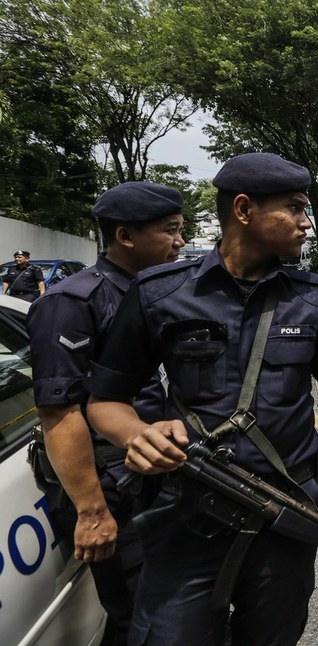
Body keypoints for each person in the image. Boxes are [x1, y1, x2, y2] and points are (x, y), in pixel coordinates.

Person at [86, 152, 318, 646]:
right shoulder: (160, 293)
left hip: (284, 513)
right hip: (188, 515)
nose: (307, 223)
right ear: (243, 210)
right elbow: (104, 400)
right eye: (294, 208)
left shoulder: (313, 298)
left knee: (272, 636)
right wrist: (139, 434)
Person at [27, 181, 186, 645]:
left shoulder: (148, 291)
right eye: (170, 230)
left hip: (150, 469)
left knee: (169, 602)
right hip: (114, 482)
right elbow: (59, 413)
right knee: (141, 615)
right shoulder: (71, 303)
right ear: (126, 237)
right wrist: (93, 511)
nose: (179, 241)